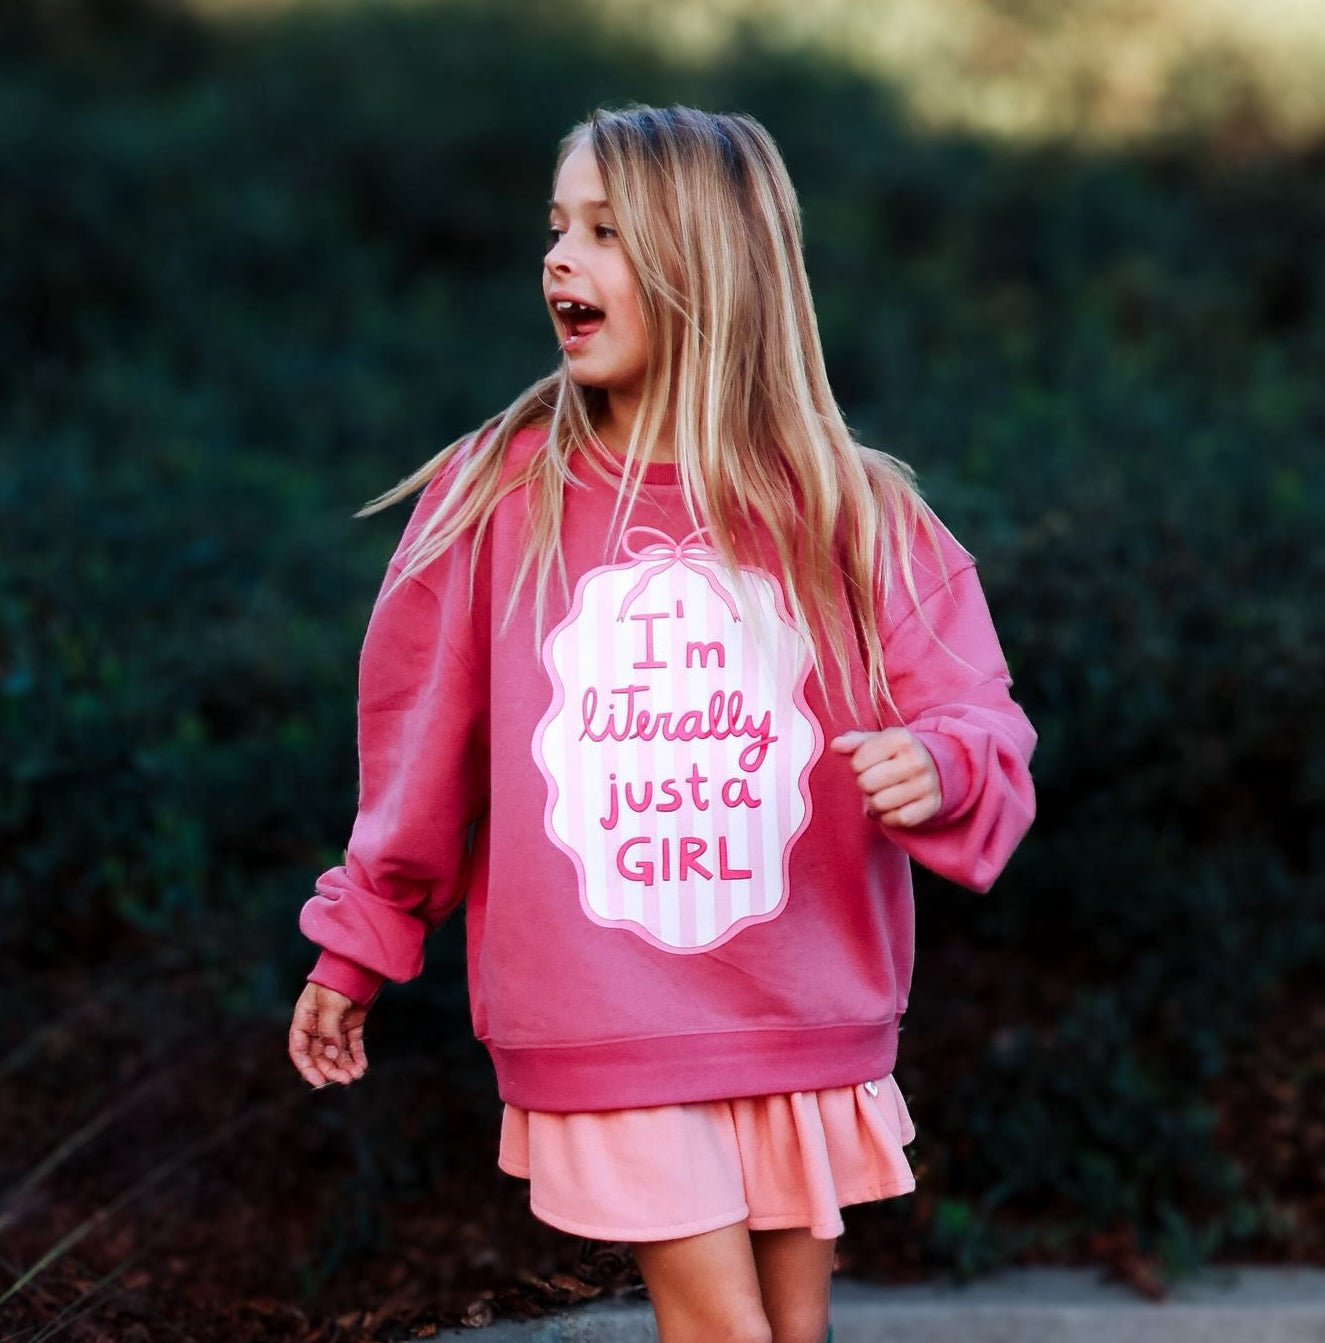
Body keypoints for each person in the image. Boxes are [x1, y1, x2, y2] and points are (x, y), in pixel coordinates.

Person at [287, 103, 1037, 1343]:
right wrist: (359, 935)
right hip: (609, 1006)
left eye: (605, 233)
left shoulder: (851, 511)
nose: (558, 261)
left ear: (708, 266)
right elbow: (421, 752)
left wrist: (940, 759)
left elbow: (975, 708)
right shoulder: (499, 495)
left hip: (802, 1002)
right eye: (556, 229)